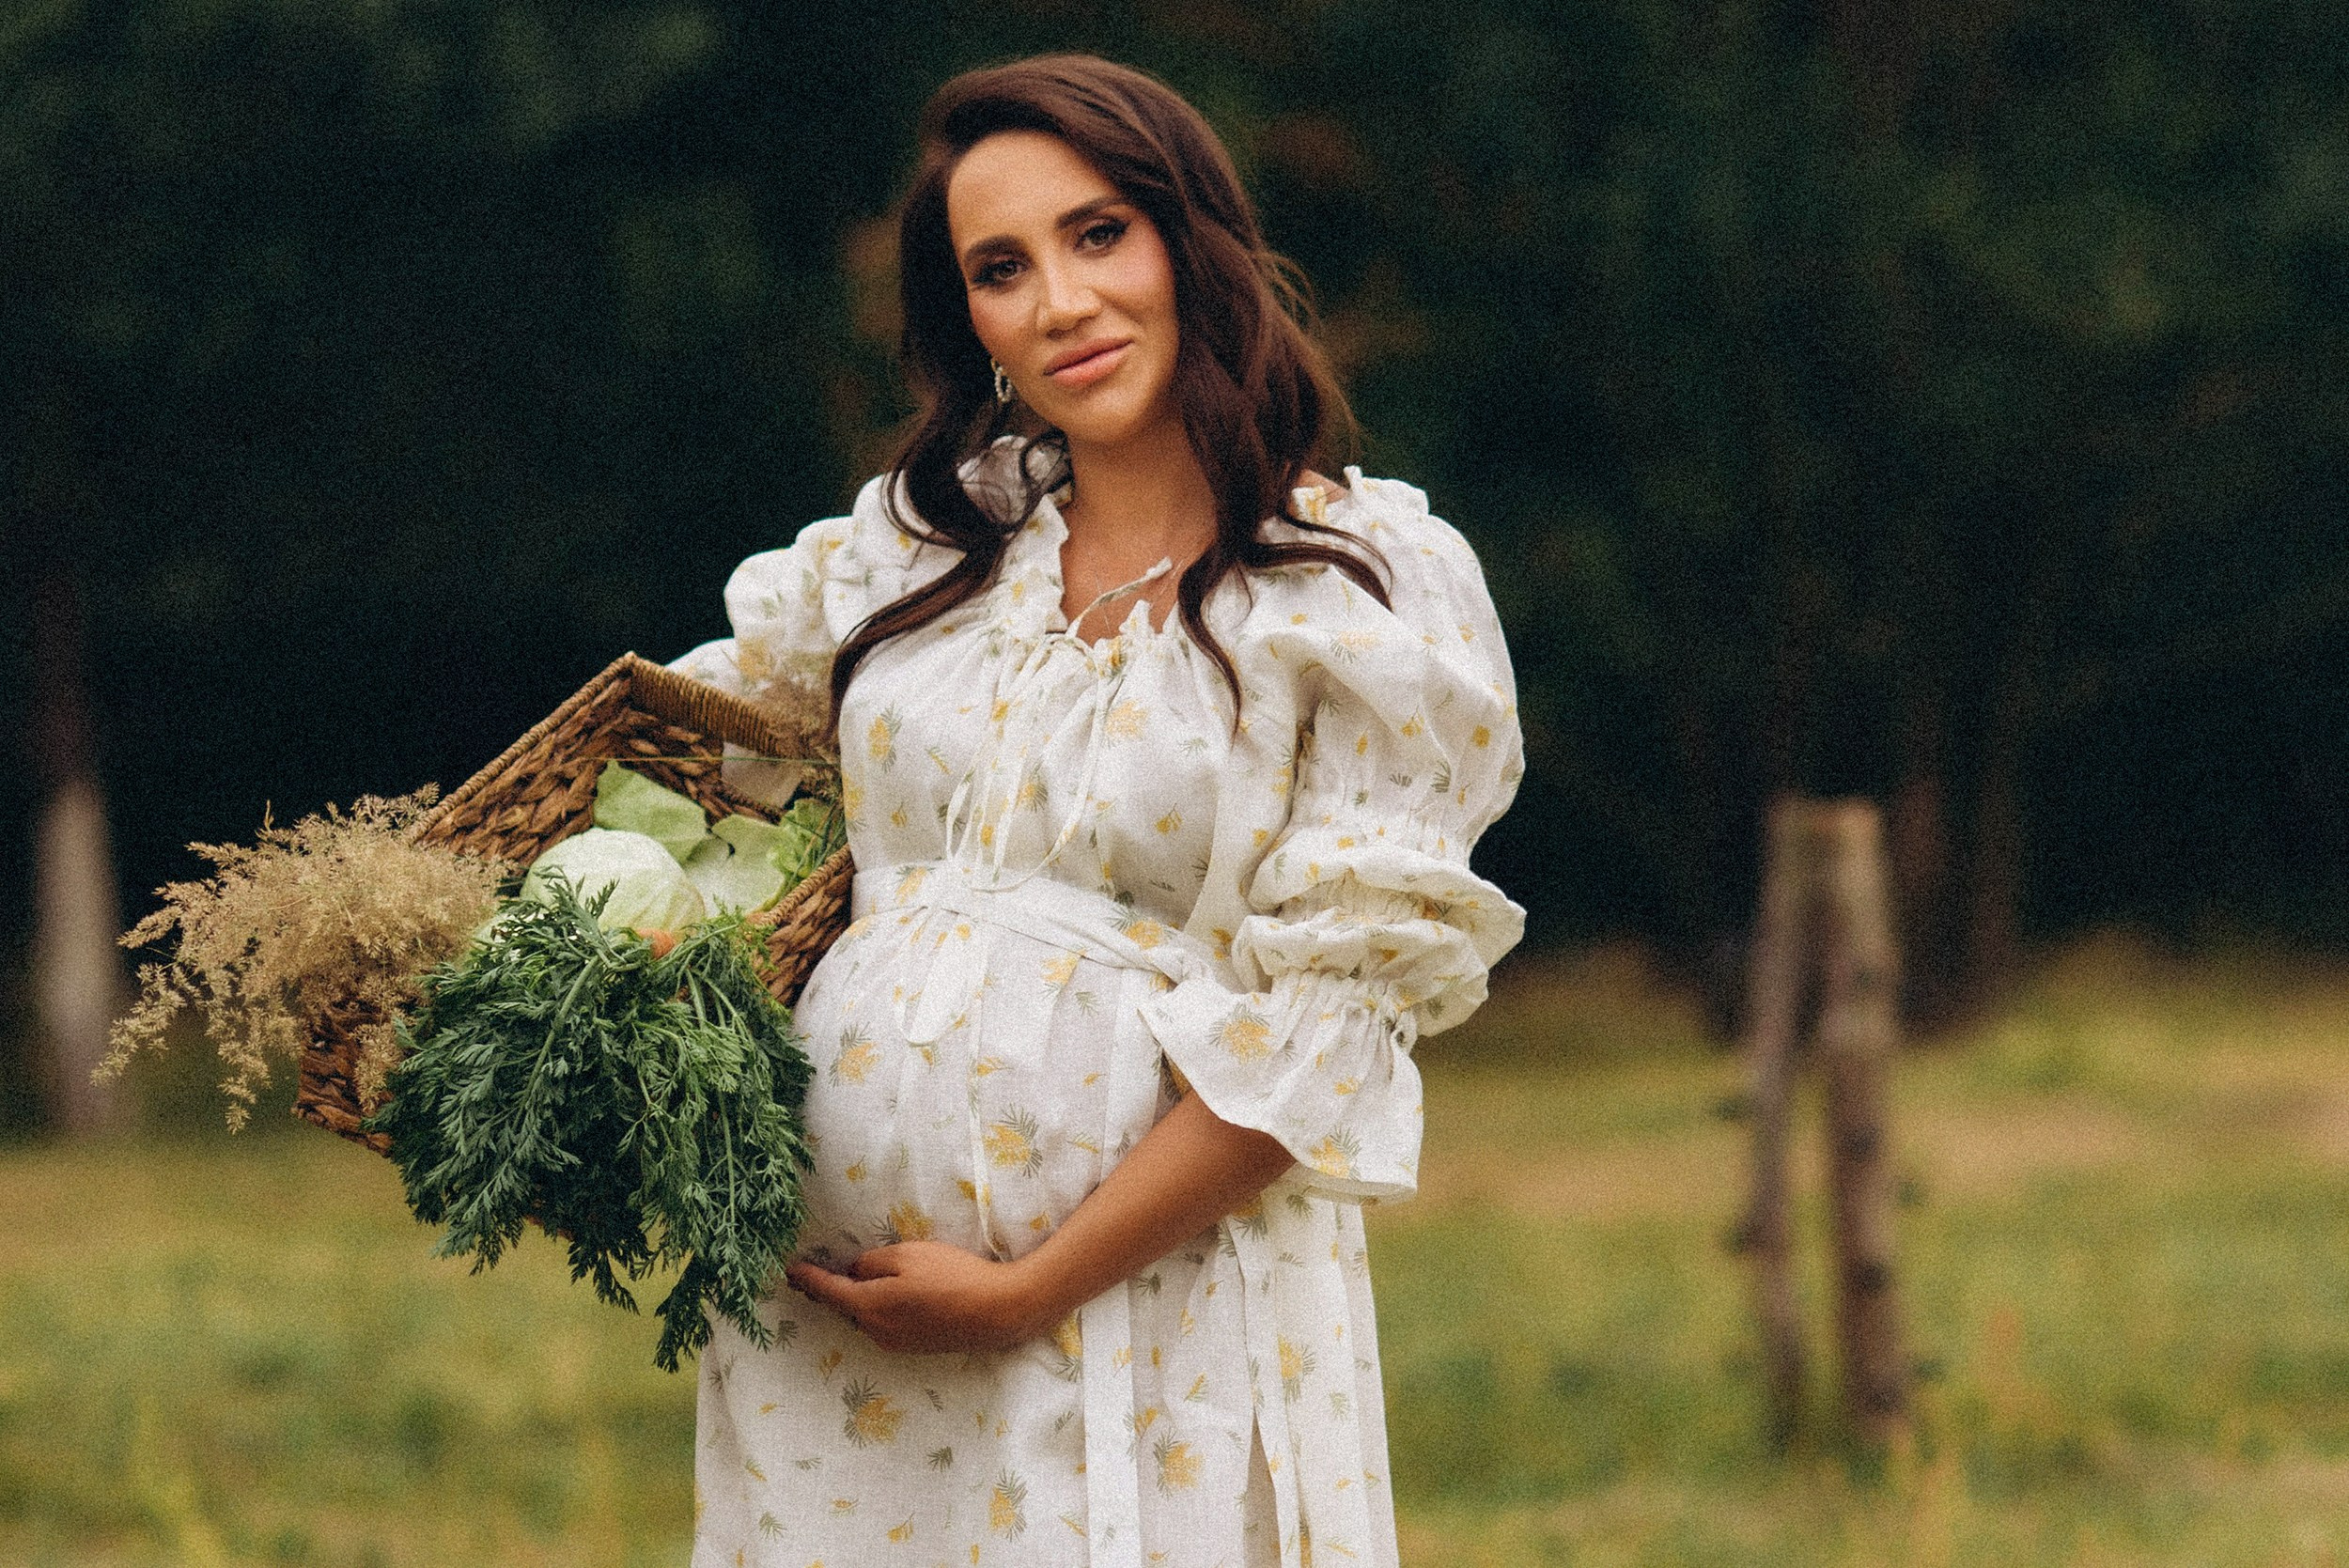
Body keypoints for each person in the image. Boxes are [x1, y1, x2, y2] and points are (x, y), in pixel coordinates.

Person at [670, 53, 1524, 1568]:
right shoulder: (919, 550)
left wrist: (1027, 1286)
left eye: (1099, 234)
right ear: (972, 322)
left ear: (1191, 242)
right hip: (838, 1326)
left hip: (1150, 1309)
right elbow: (676, 763)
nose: (1060, 302)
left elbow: (1323, 1031)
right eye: (1001, 269)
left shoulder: (1352, 590)